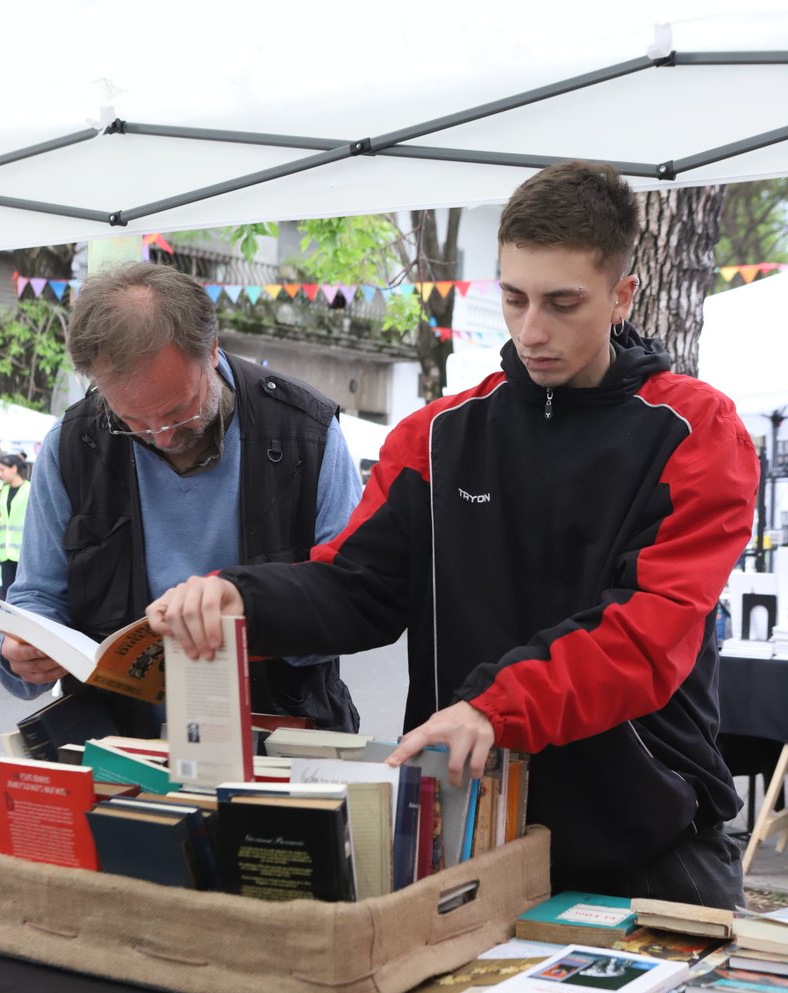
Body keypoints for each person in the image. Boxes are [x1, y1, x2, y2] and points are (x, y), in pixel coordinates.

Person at [145, 161, 759, 907]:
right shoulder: (436, 436)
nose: (532, 330)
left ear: (622, 295)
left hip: (647, 838)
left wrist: (496, 707)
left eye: (563, 303)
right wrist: (242, 599)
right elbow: (358, 588)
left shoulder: (697, 431)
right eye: (514, 298)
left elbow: (647, 633)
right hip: (469, 821)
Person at [0, 262, 363, 736]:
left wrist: (250, 618)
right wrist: (21, 654)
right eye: (132, 422)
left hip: (279, 733)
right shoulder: (73, 444)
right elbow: (38, 595)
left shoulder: (304, 434)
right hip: (118, 742)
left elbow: (349, 601)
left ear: (211, 350)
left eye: (177, 411)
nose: (162, 437)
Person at [0, 454, 30, 594]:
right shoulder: (4, 491)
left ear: (14, 468)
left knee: (23, 593)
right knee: (7, 592)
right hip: (5, 553)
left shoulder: (29, 489)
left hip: (24, 554)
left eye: (2, 470)